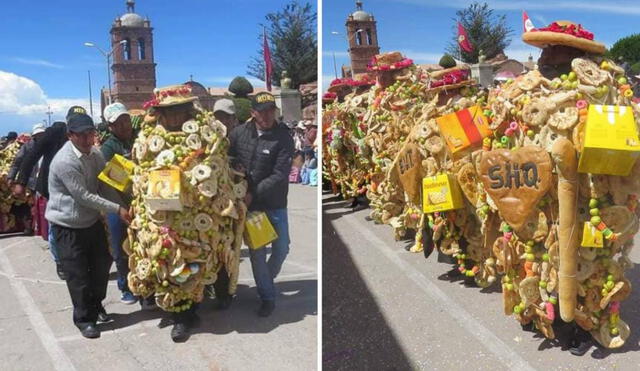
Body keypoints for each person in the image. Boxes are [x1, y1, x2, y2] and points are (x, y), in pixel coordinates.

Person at [46, 112, 130, 339]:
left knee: (102, 266)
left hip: (91, 222)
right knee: (78, 274)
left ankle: (96, 305)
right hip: (67, 225)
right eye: (81, 135)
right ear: (70, 136)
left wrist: (124, 204)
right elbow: (83, 196)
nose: (86, 139)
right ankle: (84, 320)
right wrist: (116, 209)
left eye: (90, 133)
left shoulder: (95, 154)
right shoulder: (65, 161)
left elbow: (106, 184)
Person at [229, 91, 294, 317]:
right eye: (262, 111)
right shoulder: (239, 133)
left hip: (275, 203)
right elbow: (228, 157)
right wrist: (235, 167)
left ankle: (265, 279)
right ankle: (267, 296)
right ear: (253, 113)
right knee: (257, 252)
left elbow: (280, 174)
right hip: (253, 208)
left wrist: (252, 193)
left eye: (271, 111)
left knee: (282, 247)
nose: (267, 116)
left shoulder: (283, 136)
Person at [14, 106, 87, 280]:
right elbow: (32, 155)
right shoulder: (54, 132)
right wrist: (21, 182)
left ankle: (80, 257)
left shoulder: (86, 136)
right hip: (51, 186)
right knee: (56, 225)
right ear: (68, 123)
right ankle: (60, 260)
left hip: (75, 185)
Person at [101, 102, 136, 305]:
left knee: (141, 246)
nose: (124, 126)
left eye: (126, 121)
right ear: (110, 126)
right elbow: (111, 181)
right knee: (121, 247)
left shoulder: (139, 138)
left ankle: (144, 285)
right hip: (117, 205)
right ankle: (126, 287)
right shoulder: (108, 148)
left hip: (138, 203)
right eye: (118, 123)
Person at [7, 124, 46, 234]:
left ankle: (41, 227)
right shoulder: (28, 147)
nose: (41, 137)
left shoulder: (49, 145)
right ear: (34, 136)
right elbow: (17, 162)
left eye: (42, 134)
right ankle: (32, 227)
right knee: (30, 204)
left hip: (45, 179)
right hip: (31, 179)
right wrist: (11, 177)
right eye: (38, 135)